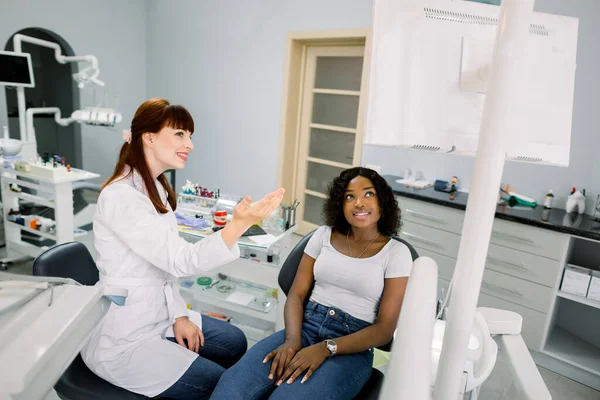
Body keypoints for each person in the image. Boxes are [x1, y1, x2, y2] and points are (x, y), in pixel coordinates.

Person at [80, 98, 284, 399]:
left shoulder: (156, 187)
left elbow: (163, 269)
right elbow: (180, 260)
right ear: (148, 137)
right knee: (219, 384)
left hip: (157, 313)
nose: (189, 144)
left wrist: (179, 316)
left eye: (189, 135)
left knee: (235, 342)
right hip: (124, 337)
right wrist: (239, 224)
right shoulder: (121, 197)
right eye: (180, 134)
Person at [211, 167, 413, 400]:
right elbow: (297, 294)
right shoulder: (323, 236)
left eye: (369, 194)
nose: (359, 203)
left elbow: (384, 329)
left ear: (382, 202)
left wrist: (327, 348)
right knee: (232, 386)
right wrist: (292, 341)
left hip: (352, 347)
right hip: (304, 329)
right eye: (349, 196)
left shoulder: (396, 253)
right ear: (340, 203)